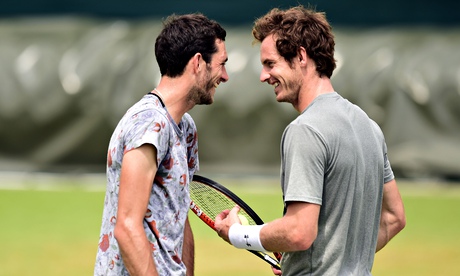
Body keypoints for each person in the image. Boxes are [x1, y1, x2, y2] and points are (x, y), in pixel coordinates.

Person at [214, 5, 406, 276]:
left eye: (271, 63)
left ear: (301, 56)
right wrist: (310, 262)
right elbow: (394, 218)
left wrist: (238, 234)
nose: (263, 76)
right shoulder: (370, 127)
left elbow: (299, 232)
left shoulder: (305, 130)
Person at [94, 13, 228, 276]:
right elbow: (127, 226)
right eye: (221, 64)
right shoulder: (149, 123)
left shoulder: (185, 127)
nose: (225, 76)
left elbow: (180, 217)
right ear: (198, 63)